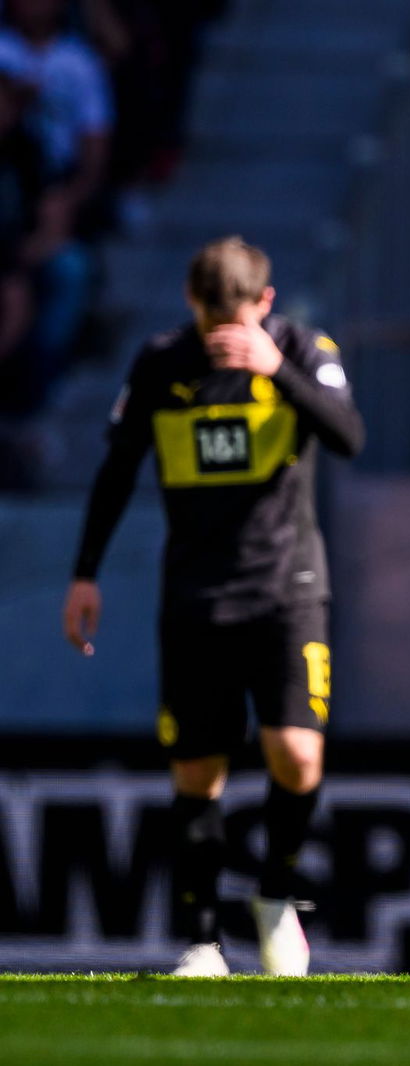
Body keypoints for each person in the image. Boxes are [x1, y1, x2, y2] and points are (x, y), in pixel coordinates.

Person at [62, 236, 364, 976]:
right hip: (197, 593)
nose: (224, 334)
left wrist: (276, 371)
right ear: (190, 304)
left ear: (266, 303)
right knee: (197, 772)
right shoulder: (162, 363)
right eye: (211, 320)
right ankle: (201, 942)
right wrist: (85, 573)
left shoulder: (304, 350)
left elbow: (348, 436)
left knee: (297, 752)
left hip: (288, 586)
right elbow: (117, 467)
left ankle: (276, 896)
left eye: (239, 319)